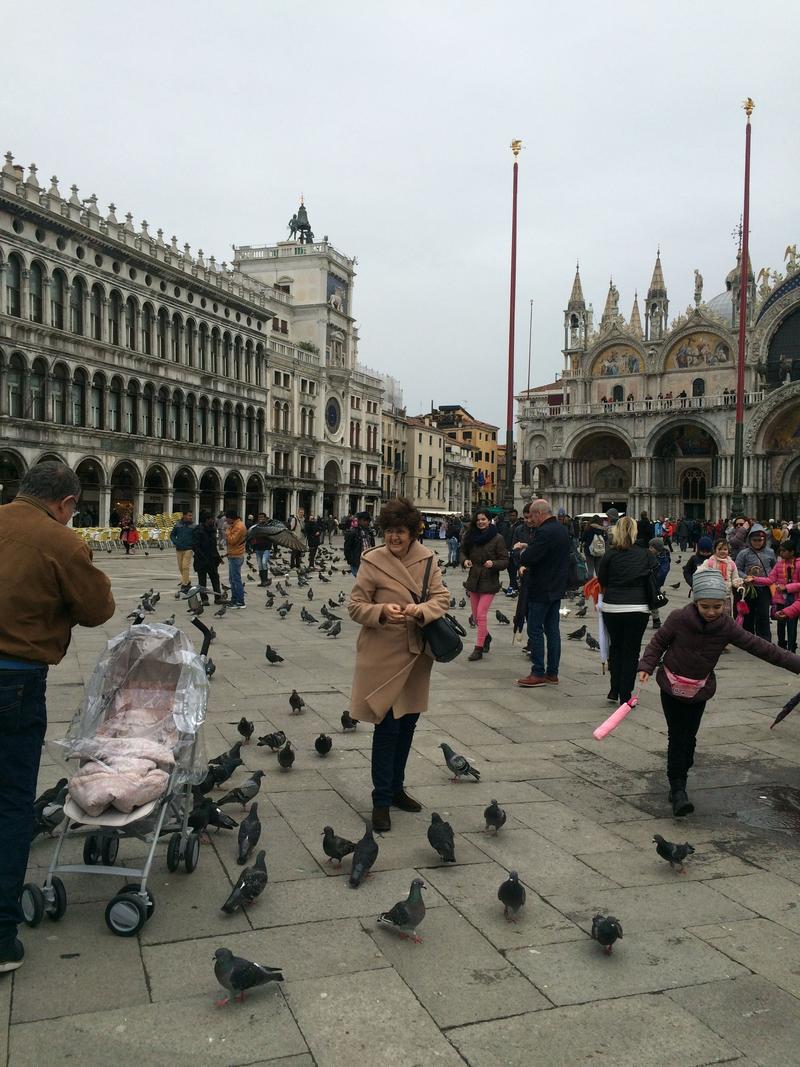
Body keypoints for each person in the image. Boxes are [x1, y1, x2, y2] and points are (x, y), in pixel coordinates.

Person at [0, 462, 114, 971]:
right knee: (9, 802)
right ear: (66, 503)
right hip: (14, 680)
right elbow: (98, 608)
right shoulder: (61, 541)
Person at [639, 569, 800, 817]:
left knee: (689, 736)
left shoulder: (725, 626)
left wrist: (796, 665)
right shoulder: (678, 618)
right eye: (706, 606)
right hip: (671, 686)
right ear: (696, 602)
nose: (712, 612)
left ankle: (681, 773)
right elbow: (658, 642)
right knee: (677, 735)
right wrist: (646, 667)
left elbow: (762, 648)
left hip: (699, 690)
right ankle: (678, 787)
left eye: (717, 607)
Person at [348, 498, 450, 832]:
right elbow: (355, 605)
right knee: (387, 726)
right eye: (390, 531)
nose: (394, 537)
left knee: (407, 726)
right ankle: (380, 800)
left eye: (401, 532)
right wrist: (380, 611)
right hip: (382, 654)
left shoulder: (427, 559)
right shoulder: (372, 560)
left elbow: (442, 599)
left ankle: (396, 789)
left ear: (411, 532)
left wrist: (421, 611)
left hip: (416, 654)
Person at [596, 515, 656, 705]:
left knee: (616, 647)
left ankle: (614, 690)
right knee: (631, 651)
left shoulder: (610, 554)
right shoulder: (646, 554)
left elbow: (602, 580)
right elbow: (655, 576)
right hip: (638, 608)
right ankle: (626, 695)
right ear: (635, 531)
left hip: (612, 606)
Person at [516, 498, 571, 686]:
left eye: (532, 516)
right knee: (553, 631)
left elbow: (531, 558)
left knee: (535, 630)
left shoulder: (544, 532)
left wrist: (524, 552)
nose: (531, 520)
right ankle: (552, 673)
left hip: (541, 588)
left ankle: (538, 672)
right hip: (556, 588)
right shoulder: (562, 530)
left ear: (540, 513)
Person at [460, 510, 509, 662]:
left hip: (489, 581)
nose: (481, 522)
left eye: (484, 519)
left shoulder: (498, 538)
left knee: (481, 614)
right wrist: (464, 561)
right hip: (474, 580)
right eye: (478, 519)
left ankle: (478, 648)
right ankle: (486, 637)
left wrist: (493, 563)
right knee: (475, 616)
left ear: (489, 520)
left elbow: (505, 561)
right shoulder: (470, 536)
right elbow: (462, 551)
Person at [749, 540, 800, 652]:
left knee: (792, 626)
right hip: (781, 600)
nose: (781, 553)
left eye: (784, 551)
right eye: (780, 551)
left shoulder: (798, 564)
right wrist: (754, 579)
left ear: (792, 552)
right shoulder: (779, 565)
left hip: (795, 600)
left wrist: (787, 587)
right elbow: (770, 579)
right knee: (780, 625)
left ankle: (792, 648)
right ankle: (781, 647)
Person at [734, 524, 775, 640]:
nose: (757, 542)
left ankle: (764, 638)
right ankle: (748, 638)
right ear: (750, 540)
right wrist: (746, 577)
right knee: (748, 614)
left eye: (760, 540)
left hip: (764, 588)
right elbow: (737, 569)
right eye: (754, 540)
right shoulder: (744, 553)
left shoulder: (770, 552)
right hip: (749, 588)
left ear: (764, 540)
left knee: (763, 614)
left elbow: (774, 568)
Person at [695, 538, 743, 615]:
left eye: (725, 549)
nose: (722, 551)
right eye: (720, 549)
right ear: (715, 550)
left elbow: (735, 578)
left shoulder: (731, 564)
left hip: (726, 595)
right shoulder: (709, 562)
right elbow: (699, 572)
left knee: (726, 616)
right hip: (712, 595)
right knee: (713, 614)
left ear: (728, 550)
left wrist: (738, 583)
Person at [193, 510, 224, 602]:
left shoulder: (212, 530)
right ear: (207, 520)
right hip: (201, 560)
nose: (213, 520)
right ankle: (204, 599)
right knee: (202, 581)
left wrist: (218, 558)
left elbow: (213, 547)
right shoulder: (198, 530)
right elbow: (195, 546)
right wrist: (203, 557)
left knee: (215, 579)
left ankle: (218, 597)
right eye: (211, 519)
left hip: (212, 559)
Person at [224, 510, 247, 608]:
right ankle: (234, 599)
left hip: (236, 556)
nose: (225, 521)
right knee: (232, 579)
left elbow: (232, 540)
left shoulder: (239, 526)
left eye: (227, 519)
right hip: (233, 555)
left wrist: (227, 531)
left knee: (236, 579)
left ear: (231, 518)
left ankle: (240, 601)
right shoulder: (235, 525)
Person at [170, 511, 196, 592]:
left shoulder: (194, 526)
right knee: (180, 567)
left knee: (185, 567)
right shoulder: (177, 525)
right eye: (189, 515)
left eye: (191, 516)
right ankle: (187, 581)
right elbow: (172, 535)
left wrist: (193, 544)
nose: (191, 517)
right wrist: (175, 541)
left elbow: (197, 536)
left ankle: (184, 585)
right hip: (179, 549)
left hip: (188, 548)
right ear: (184, 516)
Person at [648, 537, 671, 629]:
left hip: (655, 583)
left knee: (654, 602)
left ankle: (656, 619)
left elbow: (663, 572)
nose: (649, 549)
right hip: (647, 582)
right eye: (649, 547)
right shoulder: (648, 555)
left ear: (657, 549)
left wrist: (656, 581)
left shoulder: (663, 559)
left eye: (651, 548)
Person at [344, 511, 375, 576]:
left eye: (368, 521)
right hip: (357, 562)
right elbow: (347, 549)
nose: (367, 522)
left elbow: (372, 546)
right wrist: (351, 561)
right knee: (362, 582)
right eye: (365, 520)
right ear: (359, 521)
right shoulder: (353, 533)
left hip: (368, 561)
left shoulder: (369, 532)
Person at [246, 512, 272, 587]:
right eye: (259, 517)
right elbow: (251, 536)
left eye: (262, 517)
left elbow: (271, 536)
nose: (261, 519)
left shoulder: (268, 527)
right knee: (260, 565)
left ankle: (266, 580)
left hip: (266, 548)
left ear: (265, 518)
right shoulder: (256, 527)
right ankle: (263, 581)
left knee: (264, 563)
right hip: (258, 548)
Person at [581, 514, 607, 579]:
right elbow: (605, 539)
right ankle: (599, 585)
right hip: (599, 550)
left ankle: (590, 586)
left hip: (589, 551)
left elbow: (583, 538)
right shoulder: (602, 529)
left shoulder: (588, 528)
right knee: (598, 570)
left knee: (590, 570)